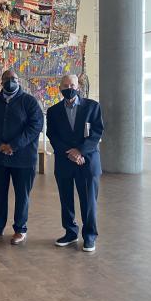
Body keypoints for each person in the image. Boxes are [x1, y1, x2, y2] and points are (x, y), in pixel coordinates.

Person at [0, 69, 43, 245]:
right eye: (6, 79)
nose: (10, 81)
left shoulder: (29, 101)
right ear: (1, 81)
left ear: (19, 81)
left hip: (23, 158)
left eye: (13, 79)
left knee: (22, 195)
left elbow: (35, 126)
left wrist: (13, 145)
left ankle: (20, 229)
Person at [46, 74, 104, 252]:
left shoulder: (92, 107)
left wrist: (80, 151)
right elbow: (52, 135)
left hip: (87, 161)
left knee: (88, 201)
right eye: (65, 85)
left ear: (78, 86)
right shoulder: (53, 111)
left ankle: (89, 236)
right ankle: (70, 233)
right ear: (60, 88)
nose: (68, 87)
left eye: (71, 84)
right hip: (65, 161)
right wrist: (69, 153)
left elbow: (97, 132)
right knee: (66, 199)